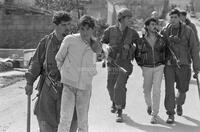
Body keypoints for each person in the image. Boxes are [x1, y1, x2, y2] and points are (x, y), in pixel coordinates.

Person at [25, 11, 78, 132]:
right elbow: (36, 63)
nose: (68, 28)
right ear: (56, 25)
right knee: (46, 122)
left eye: (69, 24)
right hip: (48, 90)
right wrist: (29, 82)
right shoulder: (46, 42)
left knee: (69, 123)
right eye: (64, 25)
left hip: (69, 89)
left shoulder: (75, 42)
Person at [56, 15, 102, 132]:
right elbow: (59, 58)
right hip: (69, 86)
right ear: (78, 29)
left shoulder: (95, 44)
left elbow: (98, 60)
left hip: (85, 88)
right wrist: (65, 73)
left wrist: (99, 50)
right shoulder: (70, 40)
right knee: (65, 119)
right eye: (82, 29)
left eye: (88, 29)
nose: (85, 32)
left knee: (83, 121)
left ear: (93, 29)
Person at [161, 9, 200, 124]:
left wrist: (196, 67)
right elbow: (160, 48)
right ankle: (170, 113)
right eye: (171, 17)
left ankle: (179, 103)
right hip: (169, 65)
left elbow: (194, 49)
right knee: (169, 90)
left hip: (184, 64)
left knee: (182, 90)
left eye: (175, 17)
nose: (173, 20)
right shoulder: (165, 31)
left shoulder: (188, 31)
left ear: (179, 18)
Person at [101, 8, 139, 122]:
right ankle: (115, 101)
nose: (130, 20)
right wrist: (106, 47)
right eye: (128, 18)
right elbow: (103, 42)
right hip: (113, 62)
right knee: (110, 86)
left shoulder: (132, 32)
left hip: (125, 63)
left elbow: (140, 46)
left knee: (119, 86)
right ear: (121, 19)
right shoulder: (110, 30)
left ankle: (119, 110)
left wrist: (131, 48)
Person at [135, 18, 166, 124]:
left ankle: (154, 114)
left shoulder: (161, 39)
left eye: (156, 24)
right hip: (147, 67)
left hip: (159, 67)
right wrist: (142, 66)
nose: (155, 26)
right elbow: (137, 54)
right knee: (146, 90)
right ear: (147, 26)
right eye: (152, 24)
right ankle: (149, 105)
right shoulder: (141, 40)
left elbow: (165, 52)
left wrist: (163, 63)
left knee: (157, 90)